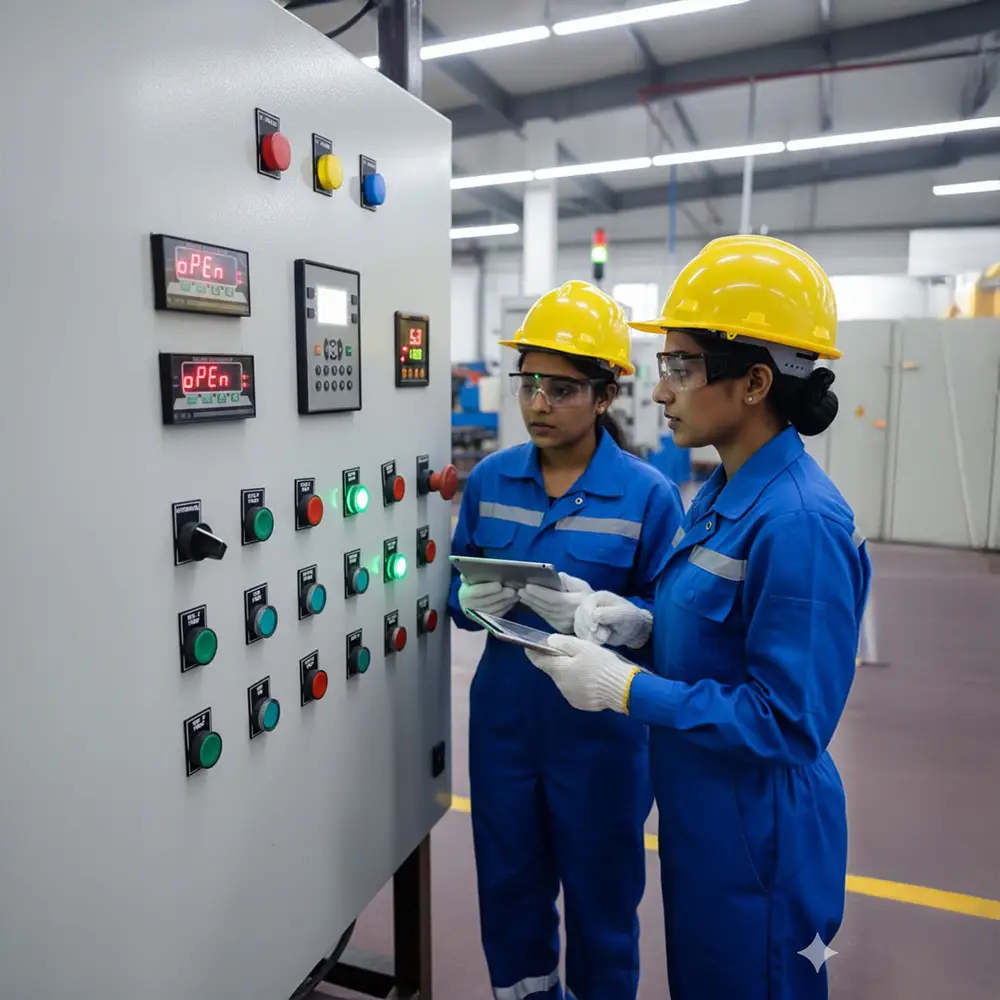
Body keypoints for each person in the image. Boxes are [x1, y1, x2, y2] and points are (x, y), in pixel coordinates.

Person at [525, 237, 872, 1000]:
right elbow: (721, 634)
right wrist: (638, 624)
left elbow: (790, 723)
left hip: (762, 837)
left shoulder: (799, 523)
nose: (660, 390)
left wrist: (625, 689)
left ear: (754, 381)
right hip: (704, 817)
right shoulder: (722, 494)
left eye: (680, 368)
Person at [448, 279, 684, 1000]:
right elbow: (457, 592)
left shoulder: (649, 496)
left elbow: (671, 625)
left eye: (561, 389)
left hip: (602, 739)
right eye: (528, 384)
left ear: (606, 394)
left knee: (602, 905)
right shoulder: (490, 481)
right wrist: (465, 601)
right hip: (504, 729)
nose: (538, 404)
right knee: (508, 893)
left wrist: (628, 619)